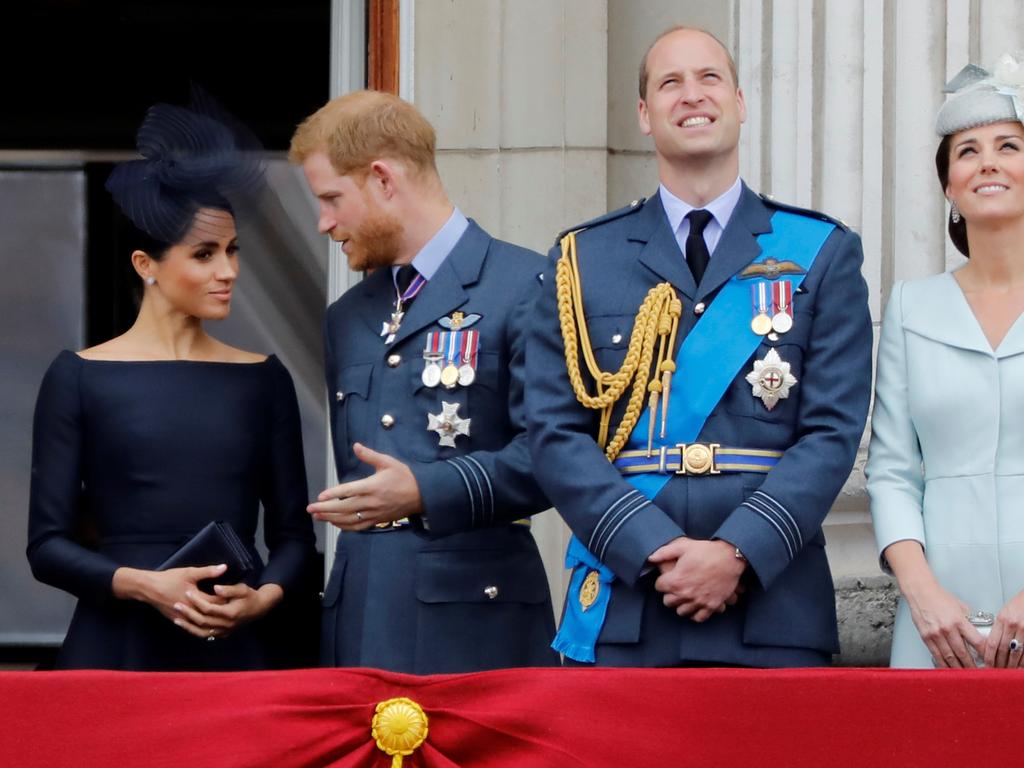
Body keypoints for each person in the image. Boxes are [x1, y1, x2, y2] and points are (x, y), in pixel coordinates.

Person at [526, 26, 872, 667]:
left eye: (709, 78)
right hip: (630, 600)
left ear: (739, 101)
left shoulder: (820, 252)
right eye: (670, 83)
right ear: (644, 116)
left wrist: (738, 551)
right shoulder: (582, 258)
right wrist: (651, 548)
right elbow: (553, 432)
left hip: (773, 604)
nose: (692, 96)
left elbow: (832, 432)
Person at [26, 97, 316, 671]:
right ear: (146, 264)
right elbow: (47, 548)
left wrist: (263, 598)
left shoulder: (264, 379)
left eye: (233, 251)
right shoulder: (78, 376)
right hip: (118, 647)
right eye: (204, 254)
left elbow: (294, 540)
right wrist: (142, 584)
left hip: (238, 649)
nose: (228, 271)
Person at [289, 90, 558, 673]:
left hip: (475, 619)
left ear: (383, 179)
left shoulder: (526, 284)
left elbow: (554, 456)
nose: (324, 222)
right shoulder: (348, 315)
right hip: (359, 611)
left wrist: (425, 490)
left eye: (333, 198)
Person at [867, 54, 1024, 669]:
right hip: (938, 627)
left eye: (1008, 145)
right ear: (949, 187)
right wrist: (922, 593)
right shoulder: (911, 306)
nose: (988, 160)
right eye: (967, 151)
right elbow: (893, 471)